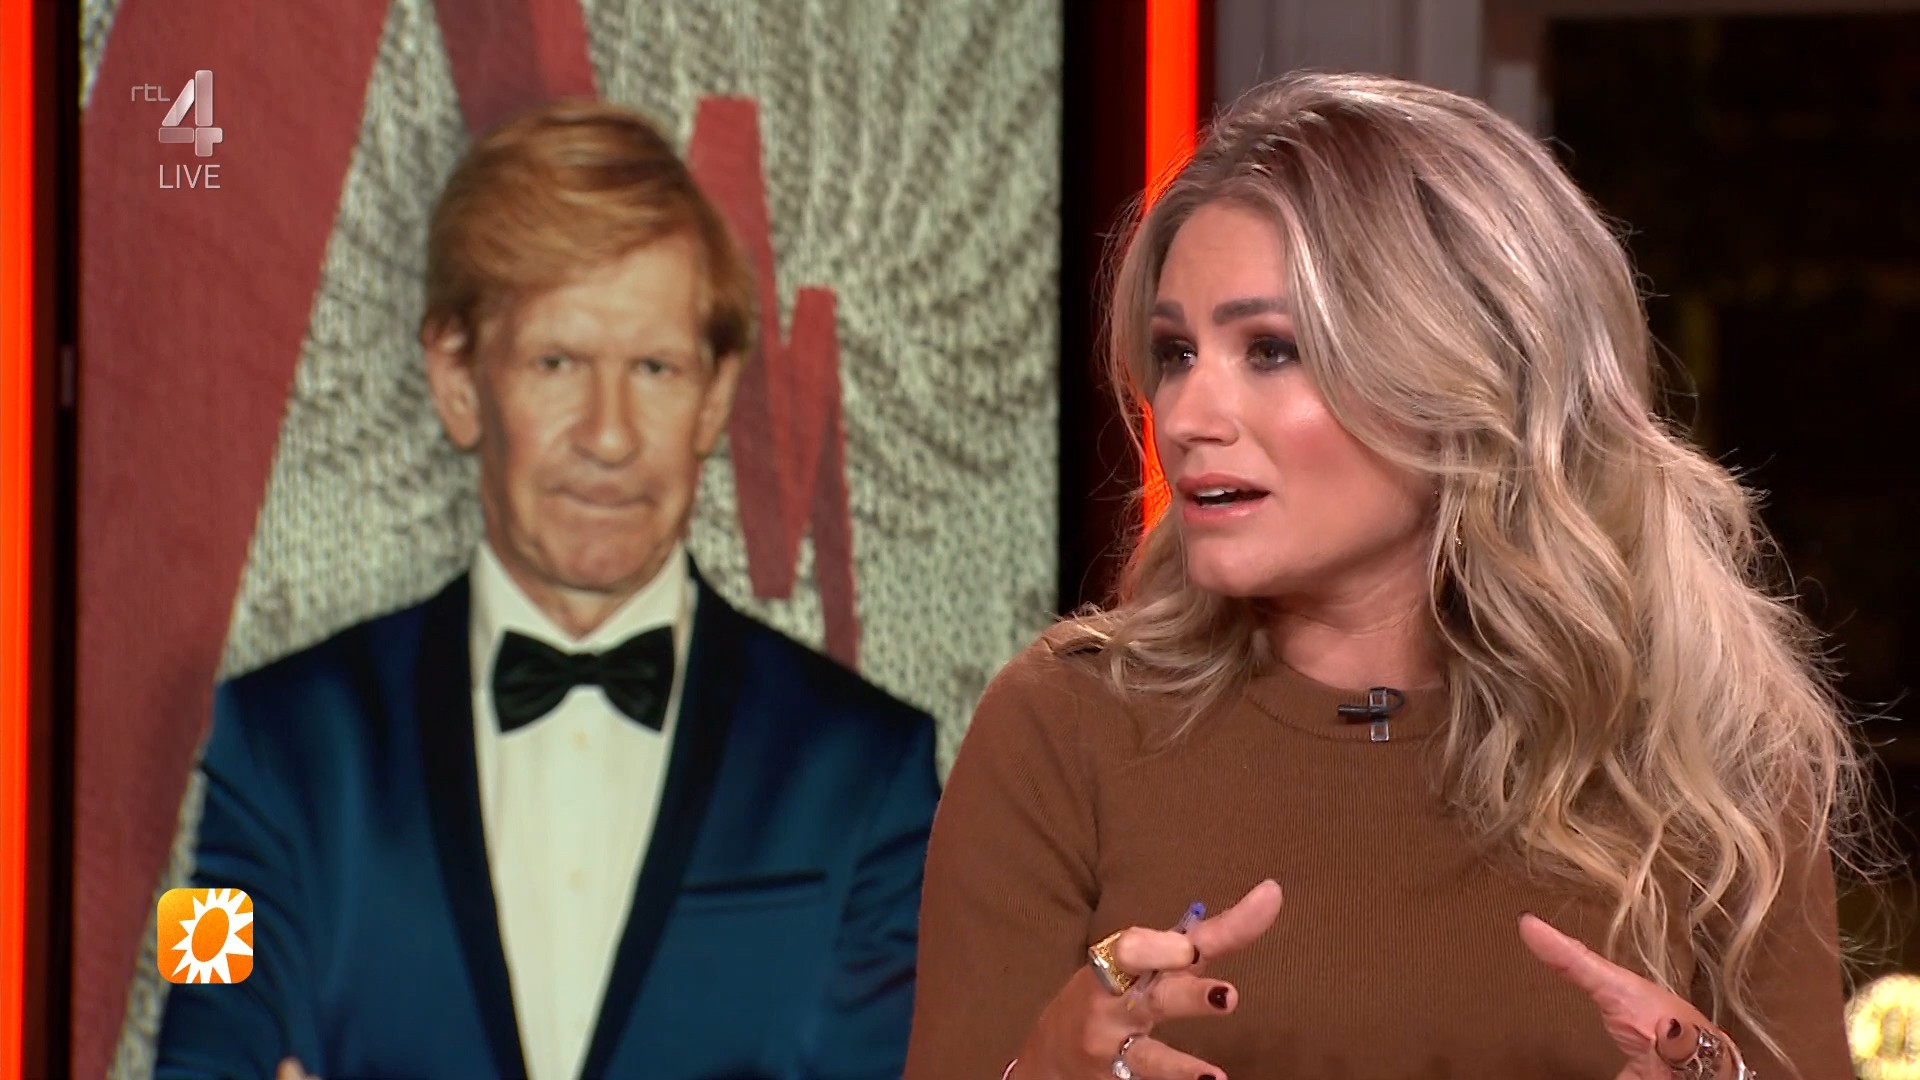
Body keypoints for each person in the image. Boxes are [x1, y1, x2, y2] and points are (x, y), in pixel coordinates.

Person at [904, 72, 1874, 1080]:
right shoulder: (1065, 729)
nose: (1185, 416)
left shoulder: (1707, 752)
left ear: (1465, 376)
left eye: (1271, 350)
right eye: (1177, 352)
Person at [154, 99, 939, 1080]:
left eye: (654, 368)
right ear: (456, 378)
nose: (608, 435)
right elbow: (197, 1055)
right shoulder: (269, 745)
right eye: (557, 362)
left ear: (714, 395)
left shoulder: (869, 771)